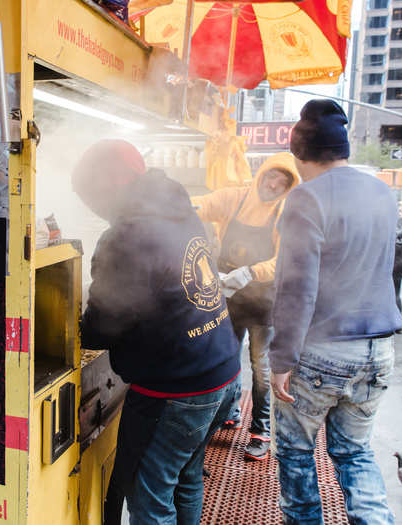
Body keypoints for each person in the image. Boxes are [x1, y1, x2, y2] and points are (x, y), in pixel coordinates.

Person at [74, 140, 241, 525]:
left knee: (149, 495)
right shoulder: (177, 207)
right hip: (222, 370)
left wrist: (80, 320)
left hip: (175, 389)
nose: (93, 207)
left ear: (110, 184)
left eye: (90, 195)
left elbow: (102, 326)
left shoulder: (126, 236)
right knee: (185, 477)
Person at [269, 100, 402, 524]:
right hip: (378, 351)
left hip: (324, 350)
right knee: (355, 454)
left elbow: (297, 287)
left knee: (295, 453)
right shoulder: (382, 192)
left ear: (301, 155)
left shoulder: (306, 198)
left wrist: (281, 359)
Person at [191, 153, 300, 461]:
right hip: (227, 293)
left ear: (288, 187)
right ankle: (230, 409)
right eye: (271, 177)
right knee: (226, 356)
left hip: (263, 301)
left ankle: (261, 430)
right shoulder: (235, 198)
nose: (274, 184)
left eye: (283, 182)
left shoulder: (285, 214)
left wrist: (250, 272)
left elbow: (286, 260)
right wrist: (169, 204)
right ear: (261, 174)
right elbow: (201, 205)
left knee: (261, 367)